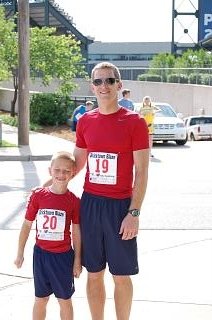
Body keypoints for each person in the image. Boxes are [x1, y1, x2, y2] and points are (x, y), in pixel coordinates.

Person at [74, 62, 150, 320]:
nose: (103, 86)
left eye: (109, 81)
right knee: (94, 272)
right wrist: (49, 186)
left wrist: (134, 213)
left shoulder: (135, 122)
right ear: (91, 86)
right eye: (98, 82)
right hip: (91, 205)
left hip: (120, 207)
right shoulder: (85, 121)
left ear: (119, 85)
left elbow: (141, 172)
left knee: (120, 274)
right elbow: (77, 164)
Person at [14, 151, 82, 320]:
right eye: (57, 170)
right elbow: (26, 225)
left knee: (64, 300)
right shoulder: (38, 196)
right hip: (41, 255)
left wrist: (77, 259)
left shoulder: (74, 201)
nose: (61, 174)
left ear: (73, 173)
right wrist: (20, 252)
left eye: (66, 171)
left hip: (63, 257)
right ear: (49, 171)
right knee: (41, 298)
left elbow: (76, 232)